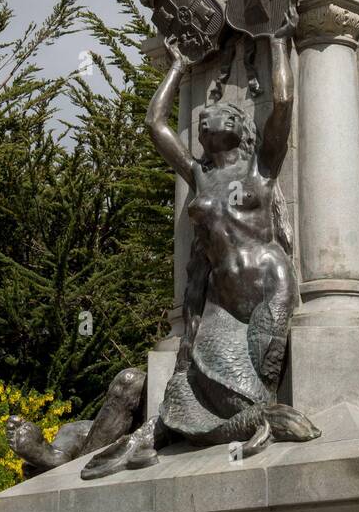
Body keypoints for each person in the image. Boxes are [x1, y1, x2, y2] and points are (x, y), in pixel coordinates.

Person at [80, 33, 318, 479]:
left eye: (224, 113)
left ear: (241, 128)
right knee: (201, 382)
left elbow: (282, 102)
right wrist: (176, 66)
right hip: (220, 298)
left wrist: (276, 39)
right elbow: (155, 124)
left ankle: (259, 424)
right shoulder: (197, 174)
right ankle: (246, 424)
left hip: (269, 284)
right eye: (204, 117)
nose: (209, 117)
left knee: (259, 381)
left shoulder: (259, 168)